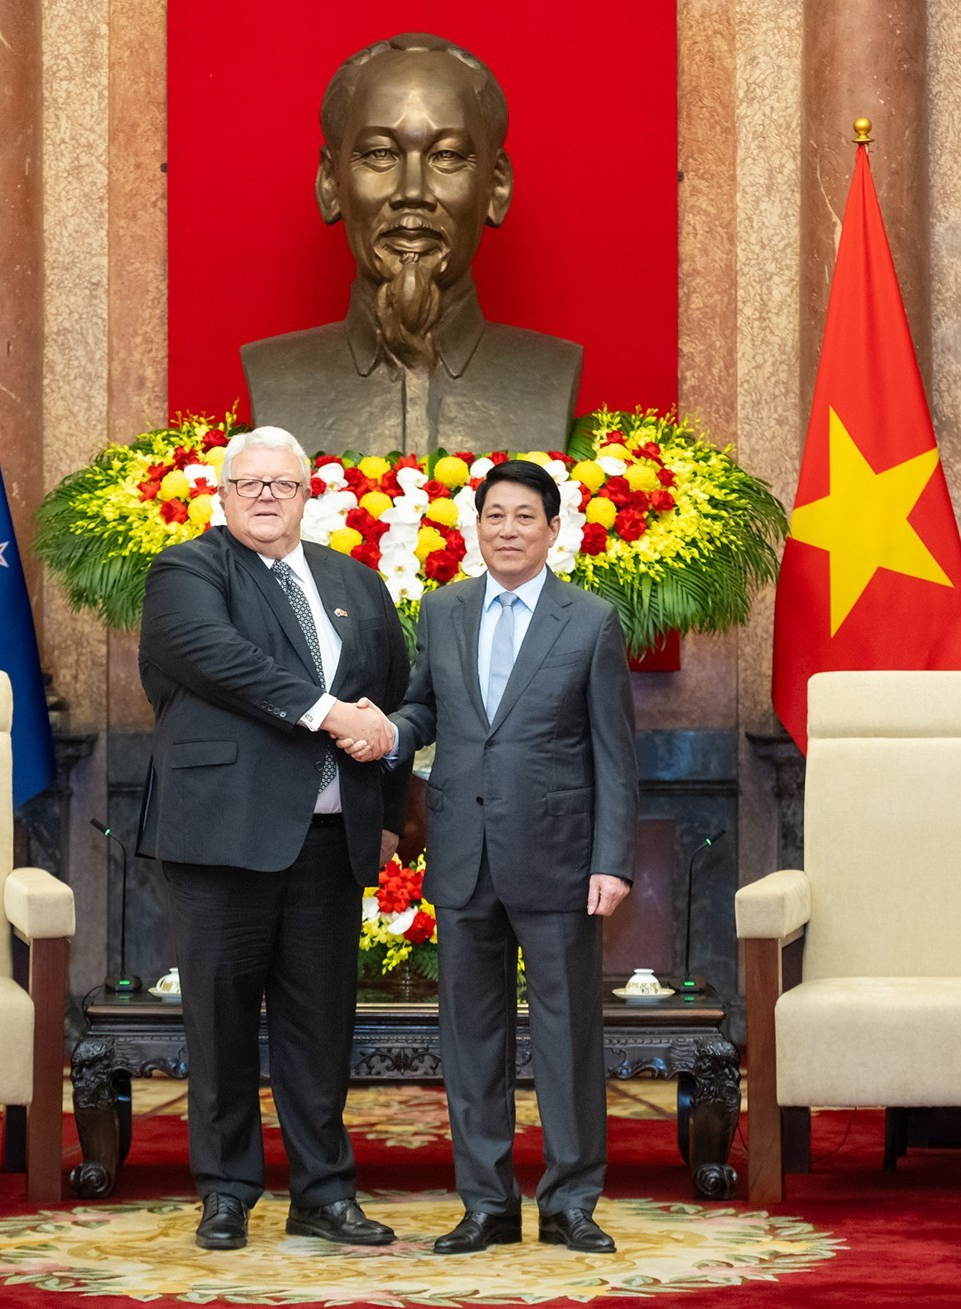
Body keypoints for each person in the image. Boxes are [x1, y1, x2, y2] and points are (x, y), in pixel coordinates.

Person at [341, 457, 637, 1254]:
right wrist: (386, 730)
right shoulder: (443, 610)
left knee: (567, 1036)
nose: (508, 530)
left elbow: (615, 752)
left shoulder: (590, 620)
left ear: (553, 529)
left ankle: (571, 1200)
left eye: (524, 517)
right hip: (464, 856)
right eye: (494, 516)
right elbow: (425, 710)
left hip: (561, 857)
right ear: (477, 527)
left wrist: (612, 860)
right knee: (470, 1039)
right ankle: (487, 1204)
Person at [137, 426, 408, 1251]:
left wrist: (389, 814)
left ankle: (324, 1193)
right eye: (247, 484)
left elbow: (390, 698)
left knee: (320, 1028)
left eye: (280, 485)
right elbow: (219, 659)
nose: (264, 496)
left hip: (329, 843)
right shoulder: (188, 571)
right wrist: (328, 712)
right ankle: (225, 1191)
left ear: (305, 495)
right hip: (220, 838)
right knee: (218, 1026)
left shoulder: (356, 583)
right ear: (221, 496)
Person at [241, 32, 581, 455]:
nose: (413, 191)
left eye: (447, 155)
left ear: (495, 187)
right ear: (331, 184)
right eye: (380, 154)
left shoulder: (552, 371)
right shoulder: (275, 374)